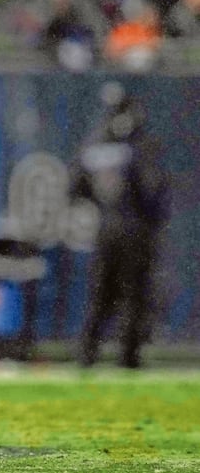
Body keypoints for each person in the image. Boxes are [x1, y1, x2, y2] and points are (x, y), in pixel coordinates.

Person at [71, 82, 168, 369]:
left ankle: (87, 355)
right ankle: (127, 358)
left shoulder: (94, 145)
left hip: (105, 230)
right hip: (133, 230)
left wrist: (99, 205)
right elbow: (152, 192)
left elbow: (74, 186)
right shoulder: (137, 146)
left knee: (101, 296)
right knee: (133, 296)